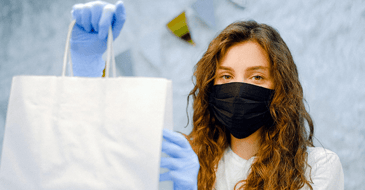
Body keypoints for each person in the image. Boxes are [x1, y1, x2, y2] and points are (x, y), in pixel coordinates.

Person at [70, 1, 344, 190]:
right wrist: (88, 69)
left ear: (280, 89)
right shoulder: (187, 162)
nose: (238, 89)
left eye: (256, 76)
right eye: (225, 76)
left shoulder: (317, 168)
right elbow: (103, 155)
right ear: (209, 89)